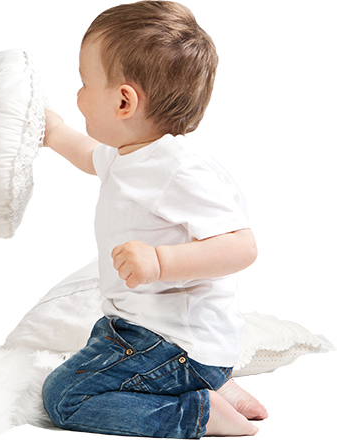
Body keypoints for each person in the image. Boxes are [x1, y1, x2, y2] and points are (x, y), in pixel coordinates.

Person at [39, 1, 267, 438]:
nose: (78, 93)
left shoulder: (177, 169)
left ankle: (198, 410)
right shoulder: (129, 153)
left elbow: (242, 246)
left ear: (124, 100)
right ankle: (218, 385)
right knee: (102, 338)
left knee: (65, 396)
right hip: (145, 330)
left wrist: (160, 262)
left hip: (175, 343)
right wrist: (53, 132)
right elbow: (90, 155)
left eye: (85, 83)